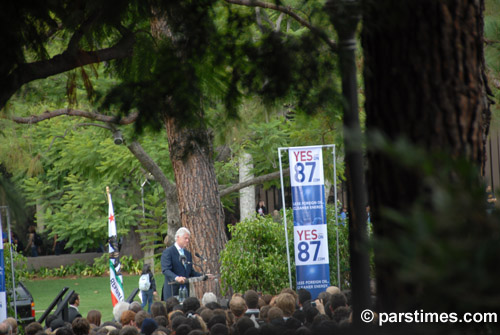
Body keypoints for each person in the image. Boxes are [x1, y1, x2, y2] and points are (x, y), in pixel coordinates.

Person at [160, 227, 203, 300]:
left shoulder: (187, 254)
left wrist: (203, 276)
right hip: (172, 291)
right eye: (185, 238)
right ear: (178, 237)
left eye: (188, 239)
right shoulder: (168, 252)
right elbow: (166, 270)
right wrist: (177, 278)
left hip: (185, 291)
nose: (187, 241)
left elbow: (190, 272)